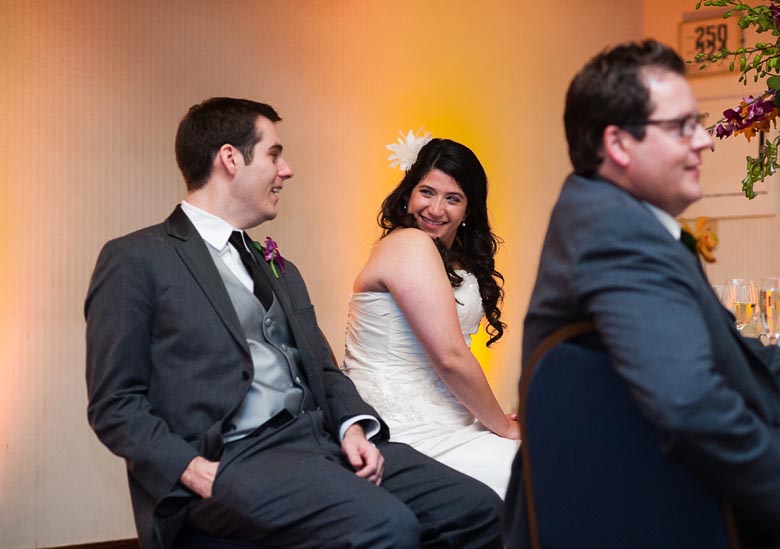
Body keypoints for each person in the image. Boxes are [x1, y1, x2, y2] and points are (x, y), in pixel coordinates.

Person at [85, 97, 503, 549]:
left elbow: (323, 369)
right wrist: (187, 467)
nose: (286, 170)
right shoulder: (137, 259)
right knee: (385, 525)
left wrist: (353, 427)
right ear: (230, 159)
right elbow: (115, 402)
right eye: (274, 154)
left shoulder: (279, 268)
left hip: (320, 444)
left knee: (480, 511)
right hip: (234, 458)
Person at [504, 40, 780, 548]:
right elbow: (686, 399)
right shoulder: (618, 236)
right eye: (682, 127)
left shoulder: (609, 217)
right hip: (666, 514)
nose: (705, 141)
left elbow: (721, 350)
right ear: (619, 144)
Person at [342, 138, 520, 499]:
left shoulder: (456, 261)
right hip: (406, 428)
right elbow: (451, 358)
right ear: (408, 194)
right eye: (427, 192)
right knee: (534, 475)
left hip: (453, 420)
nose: (435, 209)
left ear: (469, 209)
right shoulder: (409, 243)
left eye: (452, 198)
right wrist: (503, 425)